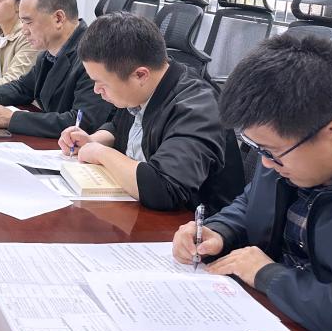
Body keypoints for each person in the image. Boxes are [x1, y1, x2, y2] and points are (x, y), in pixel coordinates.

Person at [172, 35, 332, 331]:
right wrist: (219, 231)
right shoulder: (284, 161)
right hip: (271, 321)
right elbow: (250, 202)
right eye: (257, 149)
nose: (265, 163)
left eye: (272, 151)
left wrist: (268, 275)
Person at [59, 12, 244, 212]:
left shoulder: (198, 107)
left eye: (101, 83)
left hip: (193, 223)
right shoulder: (143, 89)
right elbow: (119, 127)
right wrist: (93, 140)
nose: (96, 90)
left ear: (140, 75)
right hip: (139, 210)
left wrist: (100, 152)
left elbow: (164, 188)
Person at [0, 0, 112, 138]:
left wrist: (13, 119)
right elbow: (23, 87)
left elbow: (81, 122)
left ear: (58, 18)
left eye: (28, 22)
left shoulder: (93, 55)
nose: (24, 31)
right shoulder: (48, 52)